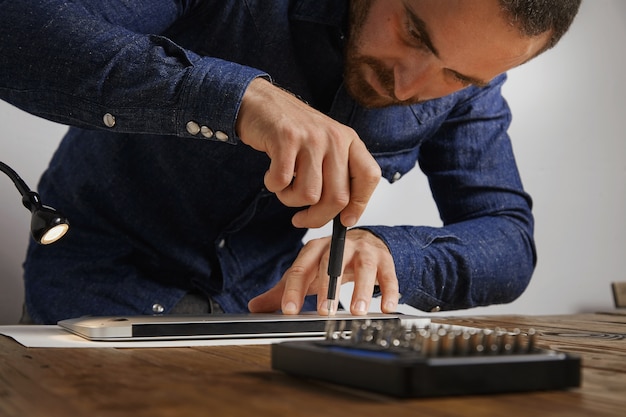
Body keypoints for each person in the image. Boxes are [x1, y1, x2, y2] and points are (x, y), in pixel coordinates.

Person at [0, 0, 581, 324]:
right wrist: (236, 99)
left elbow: (508, 241)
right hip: (96, 285)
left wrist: (389, 252)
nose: (409, 85)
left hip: (263, 317)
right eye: (412, 32)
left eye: (459, 76)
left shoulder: (471, 92)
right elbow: (17, 29)